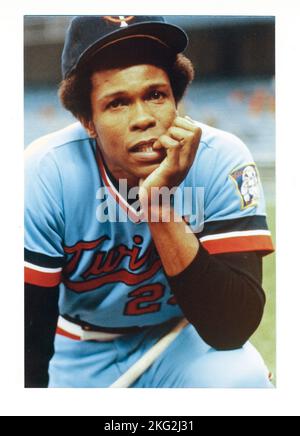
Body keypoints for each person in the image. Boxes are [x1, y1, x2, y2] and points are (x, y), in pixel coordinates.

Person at [25, 15, 274, 388]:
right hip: (80, 348)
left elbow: (231, 329)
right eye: (117, 103)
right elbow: (26, 341)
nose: (143, 118)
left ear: (177, 100)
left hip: (181, 341)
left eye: (155, 95)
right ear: (87, 120)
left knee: (243, 380)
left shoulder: (221, 157)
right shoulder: (47, 171)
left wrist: (158, 203)